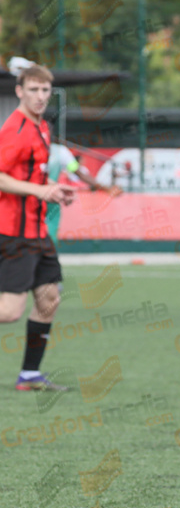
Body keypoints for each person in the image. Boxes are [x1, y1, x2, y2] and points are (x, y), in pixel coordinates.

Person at [0, 65, 76, 390]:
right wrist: (40, 191)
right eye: (33, 90)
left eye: (45, 90)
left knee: (49, 298)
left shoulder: (42, 127)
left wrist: (54, 189)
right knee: (10, 311)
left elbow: (33, 175)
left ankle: (29, 375)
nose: (41, 96)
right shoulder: (14, 130)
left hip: (37, 231)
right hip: (13, 232)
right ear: (19, 91)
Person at [46, 143, 122, 244]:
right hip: (41, 198)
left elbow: (77, 171)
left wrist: (105, 188)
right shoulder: (59, 151)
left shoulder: (60, 151)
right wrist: (106, 189)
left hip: (50, 200)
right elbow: (79, 173)